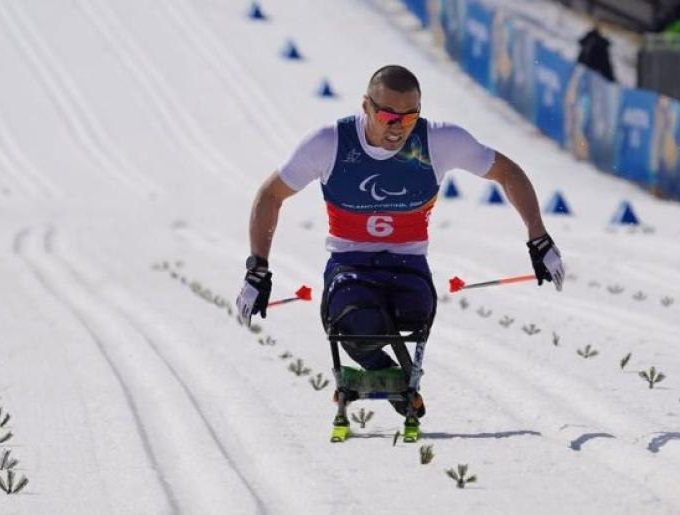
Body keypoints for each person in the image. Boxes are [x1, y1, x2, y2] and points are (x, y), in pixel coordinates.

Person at [235, 65, 565, 416]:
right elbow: (270, 195)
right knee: (355, 320)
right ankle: (393, 379)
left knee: (414, 316)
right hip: (351, 262)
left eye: (410, 117)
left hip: (408, 264)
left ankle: (397, 379)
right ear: (366, 106)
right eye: (389, 116)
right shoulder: (329, 143)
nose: (398, 128)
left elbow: (507, 172)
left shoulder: (440, 140)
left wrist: (538, 237)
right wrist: (257, 268)